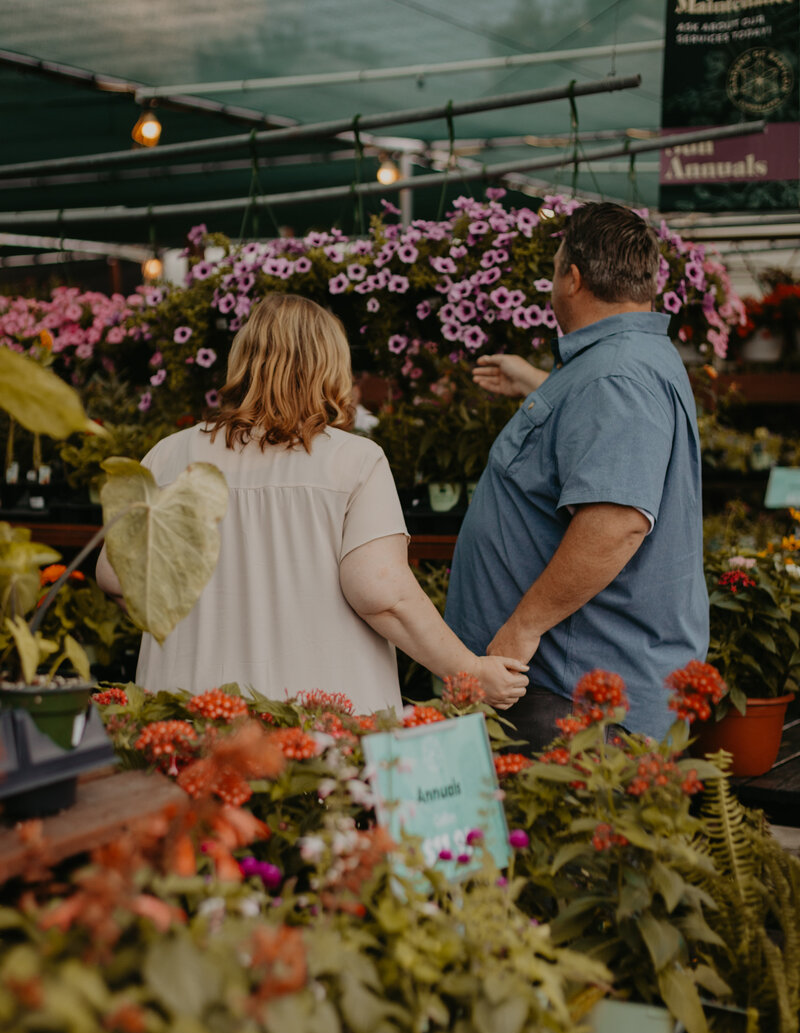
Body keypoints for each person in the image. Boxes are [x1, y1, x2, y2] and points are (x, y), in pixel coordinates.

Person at [96, 293, 528, 714]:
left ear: (241, 361)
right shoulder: (354, 460)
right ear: (331, 369)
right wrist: (469, 670)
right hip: (318, 726)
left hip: (186, 717)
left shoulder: (167, 456)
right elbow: (384, 593)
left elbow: (115, 578)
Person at [444, 202, 709, 749]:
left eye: (555, 266)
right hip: (568, 682)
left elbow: (616, 522)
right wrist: (538, 384)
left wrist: (522, 629)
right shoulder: (621, 363)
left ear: (574, 276)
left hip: (569, 692)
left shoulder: (615, 376)